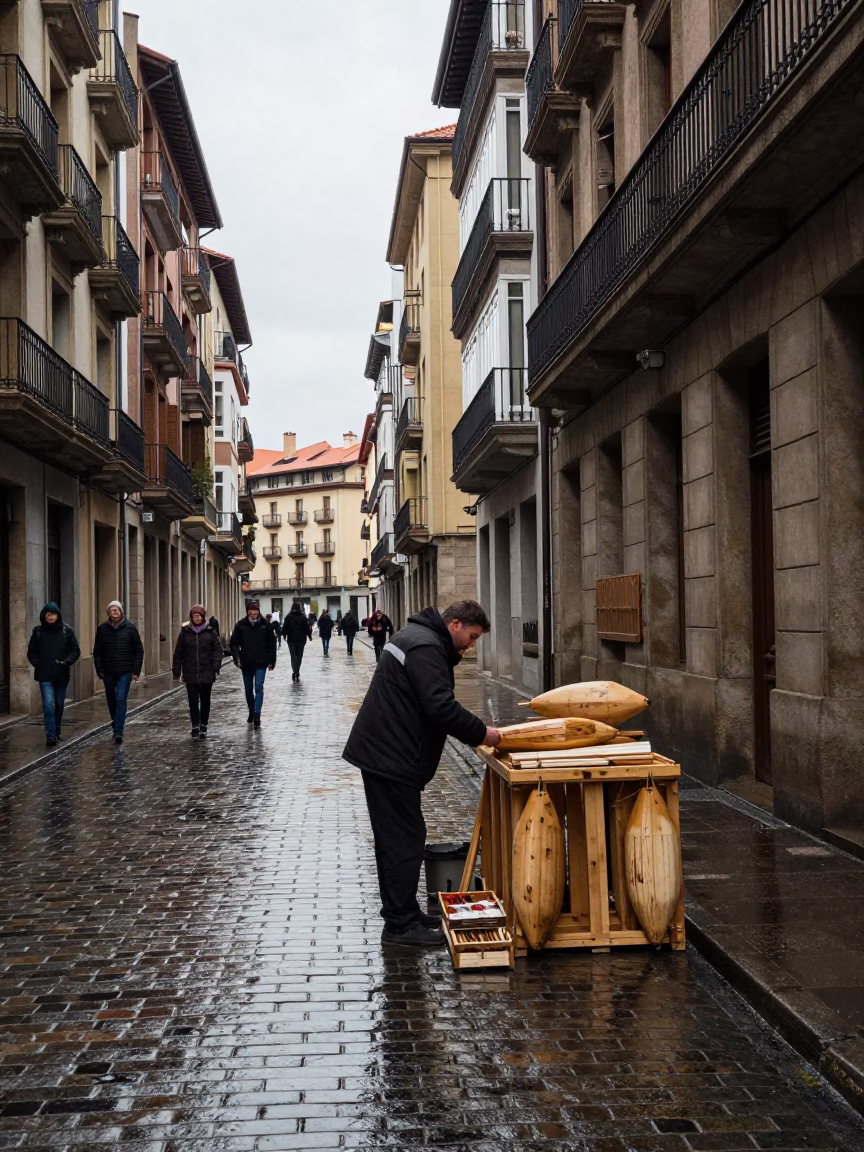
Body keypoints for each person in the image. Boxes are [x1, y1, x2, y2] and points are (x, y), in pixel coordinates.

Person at [343, 601, 501, 948]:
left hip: (385, 753)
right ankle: (400, 925)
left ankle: (405, 913)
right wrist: (481, 733)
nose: (470, 646)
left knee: (394, 840)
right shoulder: (426, 646)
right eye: (471, 637)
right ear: (455, 624)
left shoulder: (418, 637)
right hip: (391, 756)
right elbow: (439, 706)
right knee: (404, 840)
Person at [27, 602, 80, 747]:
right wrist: (38, 663)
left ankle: (57, 730)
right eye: (48, 614)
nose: (51, 617)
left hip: (61, 674)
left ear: (58, 616)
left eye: (53, 614)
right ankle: (50, 735)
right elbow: (31, 652)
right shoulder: (38, 631)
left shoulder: (66, 630)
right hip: (44, 675)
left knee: (58, 703)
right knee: (48, 704)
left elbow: (75, 650)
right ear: (44, 615)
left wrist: (66, 662)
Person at [93, 601, 144, 746]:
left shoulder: (130, 628)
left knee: (121, 698)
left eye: (116, 610)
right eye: (111, 610)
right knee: (111, 699)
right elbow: (97, 652)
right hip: (108, 671)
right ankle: (115, 723)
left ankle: (119, 731)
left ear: (121, 612)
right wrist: (99, 670)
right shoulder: (102, 629)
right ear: (108, 613)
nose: (114, 612)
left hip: (125, 670)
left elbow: (139, 651)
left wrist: (136, 671)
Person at [172, 605, 223, 738]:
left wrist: (215, 666)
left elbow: (218, 650)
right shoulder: (185, 632)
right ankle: (195, 725)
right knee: (193, 700)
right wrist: (176, 671)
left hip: (207, 671)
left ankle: (204, 724)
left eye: (199, 616)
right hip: (190, 671)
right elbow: (178, 652)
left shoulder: (210, 632)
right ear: (191, 617)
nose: (197, 618)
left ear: (203, 617)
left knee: (205, 700)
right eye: (194, 616)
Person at [229, 600, 276, 728]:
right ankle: (251, 709)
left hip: (261, 662)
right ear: (248, 611)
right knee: (249, 689)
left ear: (259, 611)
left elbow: (272, 643)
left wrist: (272, 660)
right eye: (251, 611)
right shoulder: (241, 625)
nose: (254, 613)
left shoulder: (265, 625)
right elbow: (233, 643)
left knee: (259, 687)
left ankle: (257, 714)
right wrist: (236, 657)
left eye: (256, 611)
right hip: (246, 662)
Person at [282, 601, 312, 681]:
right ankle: (296, 671)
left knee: (293, 656)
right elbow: (306, 628)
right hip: (301, 640)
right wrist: (309, 636)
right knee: (299, 656)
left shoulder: (288, 617)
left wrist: (284, 634)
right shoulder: (303, 617)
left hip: (291, 639)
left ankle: (295, 671)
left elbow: (284, 628)